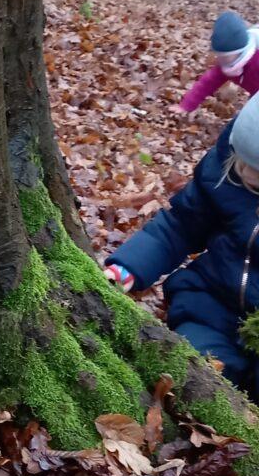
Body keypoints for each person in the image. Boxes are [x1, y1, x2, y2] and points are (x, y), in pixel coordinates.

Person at [105, 92, 259, 395]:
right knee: (198, 381)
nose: (247, 181)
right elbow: (180, 225)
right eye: (242, 172)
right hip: (210, 306)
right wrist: (129, 267)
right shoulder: (222, 172)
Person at [179, 9, 259, 113]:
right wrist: (186, 106)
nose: (220, 60)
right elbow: (207, 82)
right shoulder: (227, 65)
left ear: (240, 51)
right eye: (219, 56)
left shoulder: (255, 62)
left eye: (225, 56)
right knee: (243, 120)